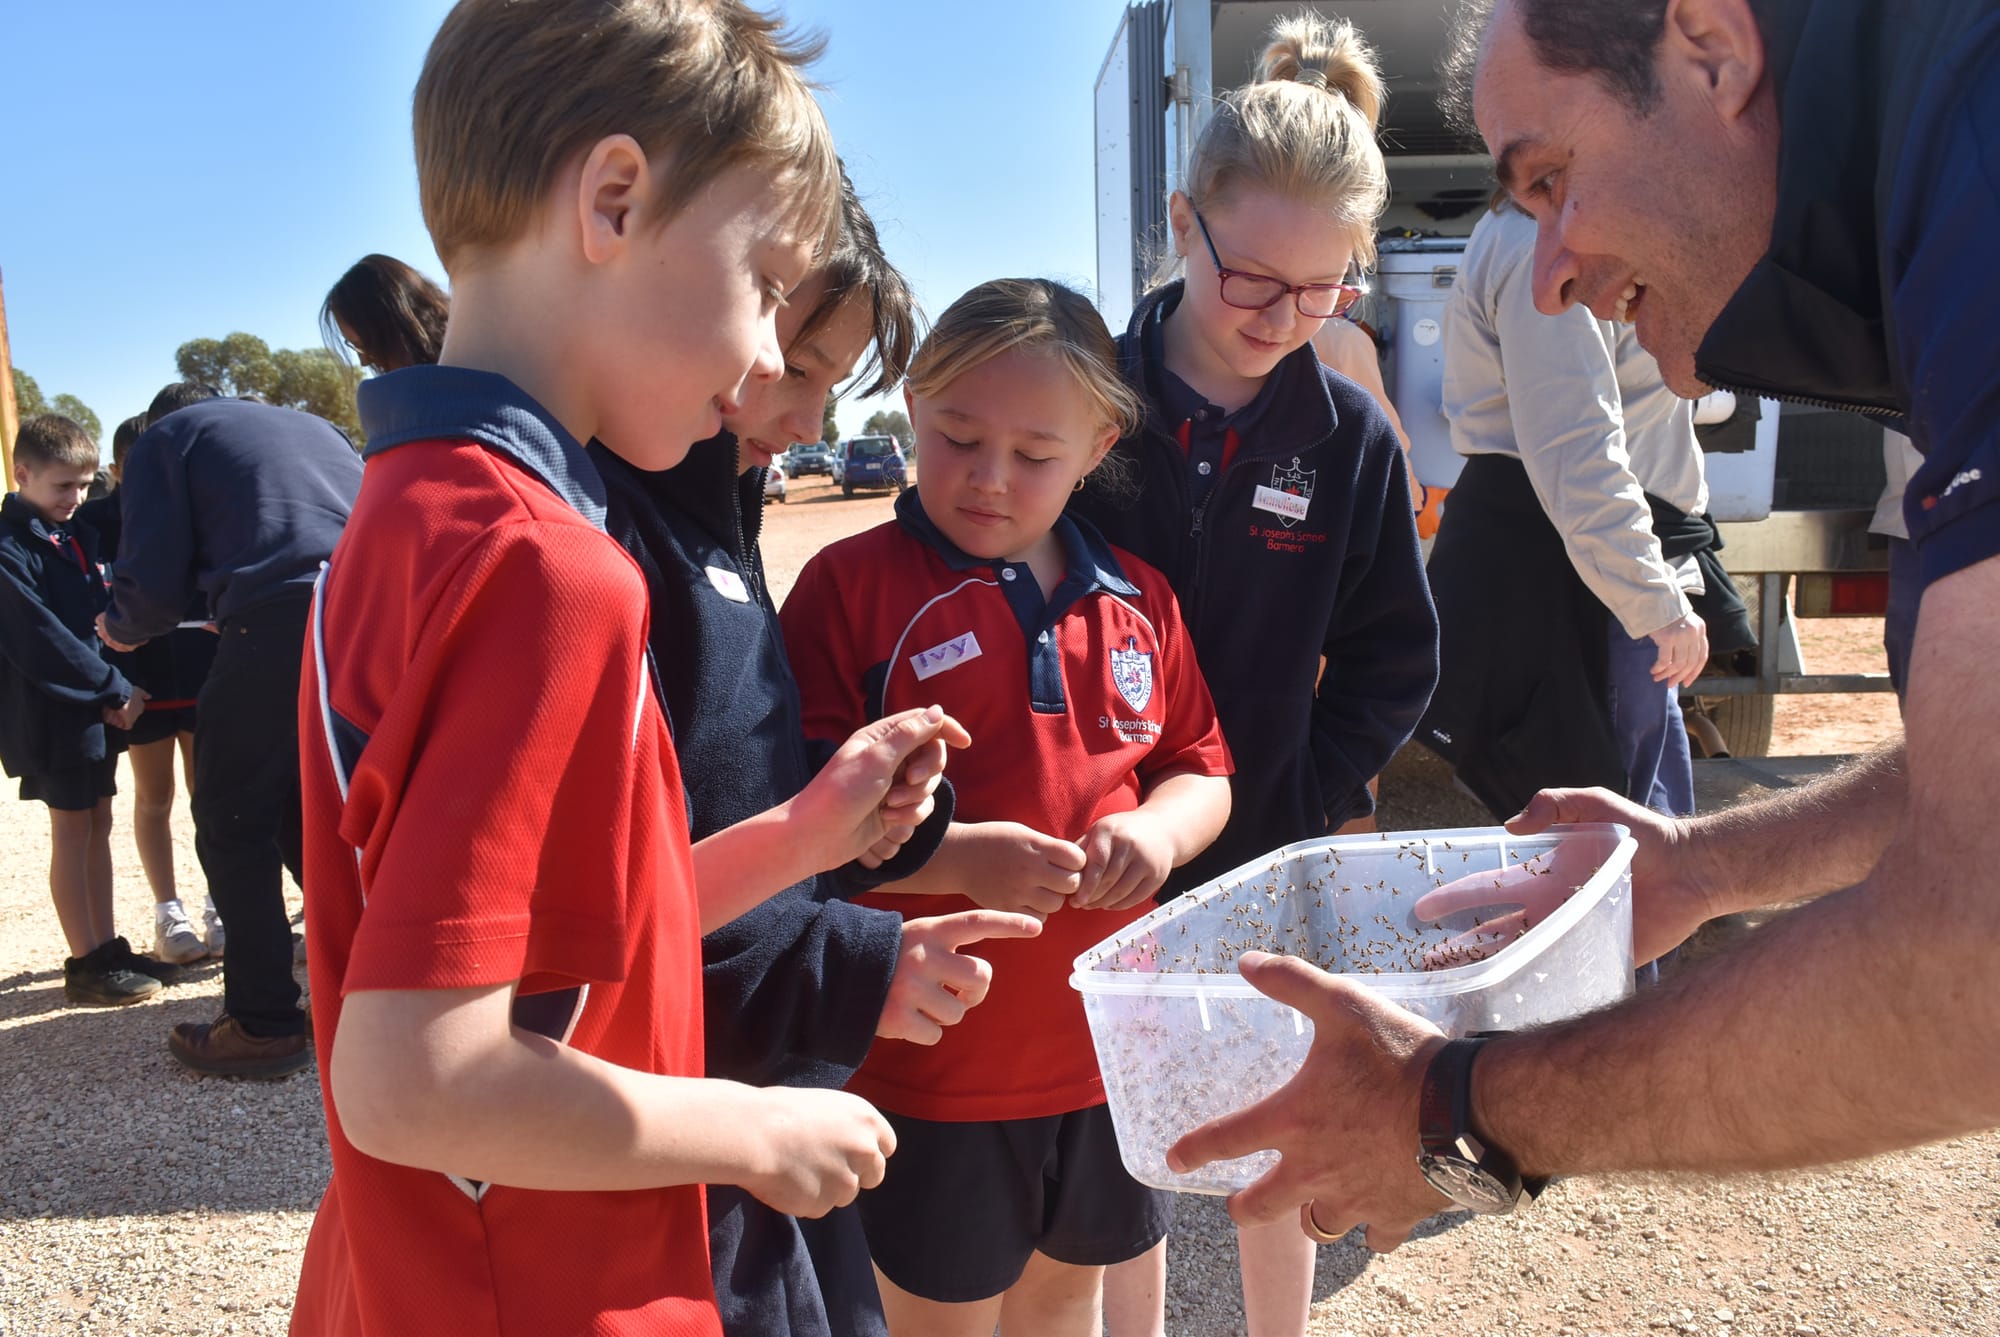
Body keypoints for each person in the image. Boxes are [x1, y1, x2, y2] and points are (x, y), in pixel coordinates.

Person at [1164, 0, 2000, 1259]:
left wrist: (1457, 1104)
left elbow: (1969, 954)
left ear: (1711, 48)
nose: (1546, 268)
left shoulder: (1972, 175)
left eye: (1552, 179)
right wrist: (1708, 865)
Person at [289, 3, 959, 1332]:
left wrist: (797, 833)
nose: (771, 354)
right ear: (611, 200)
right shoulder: (548, 566)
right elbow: (414, 1077)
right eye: (765, 283)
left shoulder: (408, 511)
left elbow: (560, 949)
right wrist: (747, 1129)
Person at [594, 172, 1040, 1336]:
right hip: (684, 1119)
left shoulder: (711, 503)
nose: (805, 422)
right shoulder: (610, 530)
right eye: (793, 366)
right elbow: (625, 909)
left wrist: (883, 836)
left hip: (767, 1084)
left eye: (829, 386)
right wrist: (849, 959)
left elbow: (741, 787)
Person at [1068, 14, 1438, 1334]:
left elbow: (1401, 652)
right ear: (1183, 224)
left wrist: (1300, 788)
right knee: (1123, 1150)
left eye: (1324, 291)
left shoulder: (1345, 435)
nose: (1285, 320)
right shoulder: (1086, 404)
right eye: (1255, 286)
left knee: (1273, 1141)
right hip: (1102, 857)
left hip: (1265, 862)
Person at [780, 278, 1234, 1337]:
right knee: (938, 1312)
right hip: (936, 1065)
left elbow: (1200, 768)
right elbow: (793, 827)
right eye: (954, 436)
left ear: (1098, 442)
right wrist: (957, 856)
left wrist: (1155, 833)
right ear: (911, 405)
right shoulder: (847, 590)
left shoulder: (1140, 600)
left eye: (1034, 455)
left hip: (1105, 1053)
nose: (988, 480)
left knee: (1066, 1294)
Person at [98, 382, 361, 1076]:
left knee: (228, 815)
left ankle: (264, 1022)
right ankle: (375, 992)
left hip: (279, 618)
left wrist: (119, 630)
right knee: (320, 810)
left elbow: (150, 585)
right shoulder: (314, 427)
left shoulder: (167, 437)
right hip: (372, 615)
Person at [1419, 200, 1711, 824]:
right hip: (1584, 577)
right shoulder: (1539, 244)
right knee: (1615, 842)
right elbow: (1577, 448)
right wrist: (1655, 603)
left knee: (1621, 837)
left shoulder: (1557, 231)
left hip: (1598, 567)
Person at [0, 414, 173, 1005]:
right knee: (71, 828)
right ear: (22, 474)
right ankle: (85, 960)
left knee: (98, 820)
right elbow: (38, 636)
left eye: (83, 484)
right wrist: (111, 687)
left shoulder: (72, 535)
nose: (76, 498)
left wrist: (116, 683)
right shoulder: (10, 546)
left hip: (92, 706)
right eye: (62, 486)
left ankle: (108, 946)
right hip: (53, 713)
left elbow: (98, 618)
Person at [79, 413, 219, 964]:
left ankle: (220, 905)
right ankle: (169, 913)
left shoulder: (200, 508)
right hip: (139, 688)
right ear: (116, 469)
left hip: (205, 677)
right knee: (154, 798)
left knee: (211, 800)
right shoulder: (93, 523)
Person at [320, 253, 450, 375]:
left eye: (365, 346)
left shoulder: (389, 393)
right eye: (355, 348)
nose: (364, 362)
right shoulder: (466, 354)